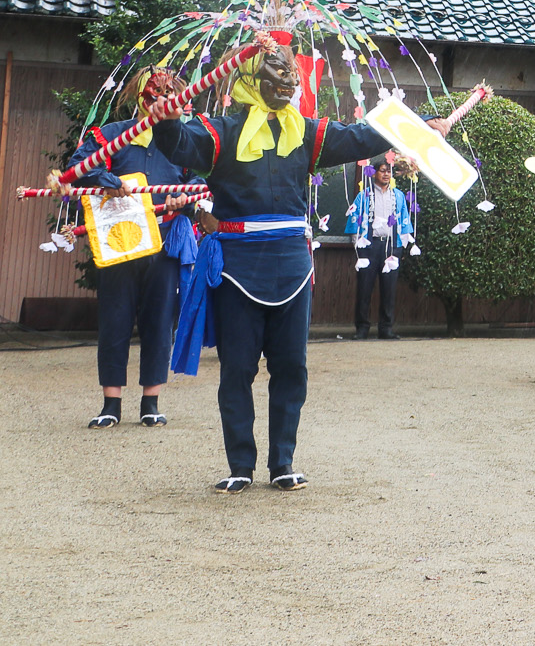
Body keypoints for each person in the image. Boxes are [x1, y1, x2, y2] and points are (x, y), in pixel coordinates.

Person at [157, 38, 414, 493]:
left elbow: (362, 137)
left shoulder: (307, 133)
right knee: (237, 368)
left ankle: (283, 462)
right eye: (274, 76)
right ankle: (240, 464)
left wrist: (415, 130)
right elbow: (179, 144)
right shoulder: (220, 132)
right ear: (250, 80)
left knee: (292, 367)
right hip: (238, 267)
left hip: (293, 267)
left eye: (290, 77)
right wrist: (165, 116)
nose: (286, 84)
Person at [69, 68, 198, 430]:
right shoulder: (110, 136)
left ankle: (151, 402)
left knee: (159, 321)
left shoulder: (183, 140)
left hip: (163, 243)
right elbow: (77, 167)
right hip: (119, 245)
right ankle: (111, 404)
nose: (160, 102)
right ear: (141, 97)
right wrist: (106, 180)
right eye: (154, 95)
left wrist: (184, 195)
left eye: (167, 96)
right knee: (115, 318)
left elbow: (203, 176)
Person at [347, 161, 414, 341]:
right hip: (369, 245)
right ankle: (362, 328)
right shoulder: (364, 195)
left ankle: (386, 328)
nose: (386, 174)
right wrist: (356, 241)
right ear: (374, 173)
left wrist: (404, 242)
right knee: (364, 287)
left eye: (388, 171)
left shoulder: (398, 196)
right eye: (382, 171)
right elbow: (354, 216)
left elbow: (405, 219)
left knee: (389, 288)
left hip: (391, 245)